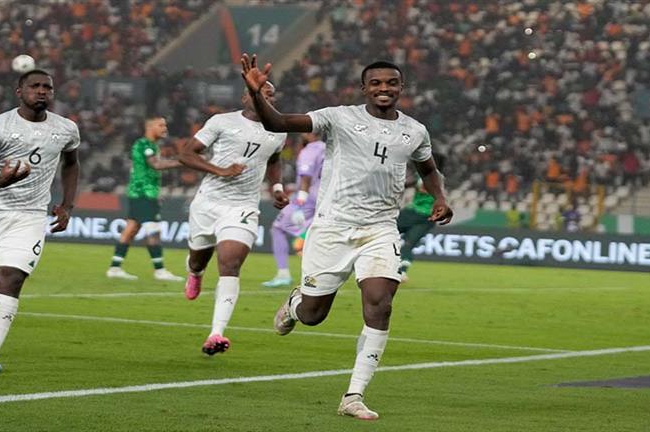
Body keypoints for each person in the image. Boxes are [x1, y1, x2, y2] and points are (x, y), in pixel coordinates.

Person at [240, 54, 453, 420]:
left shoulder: (415, 131)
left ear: (401, 88)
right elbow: (278, 122)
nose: (384, 88)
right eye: (376, 83)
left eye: (391, 83)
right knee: (313, 315)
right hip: (333, 227)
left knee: (380, 303)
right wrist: (258, 94)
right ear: (363, 88)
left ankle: (354, 395)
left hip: (380, 229)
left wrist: (440, 198)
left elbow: (428, 169)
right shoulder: (337, 118)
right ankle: (295, 304)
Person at [0, 69, 81, 373]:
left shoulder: (66, 129)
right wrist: (2, 181)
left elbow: (71, 163)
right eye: (34, 86)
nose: (41, 91)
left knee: (12, 278)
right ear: (19, 91)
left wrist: (67, 205)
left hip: (31, 215)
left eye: (47, 87)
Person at [178, 82, 289, 356]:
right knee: (197, 259)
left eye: (271, 95)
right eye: (261, 93)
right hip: (208, 203)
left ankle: (216, 333)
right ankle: (195, 273)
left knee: (230, 263)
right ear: (245, 97)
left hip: (243, 207)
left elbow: (274, 160)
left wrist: (276, 188)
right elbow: (186, 154)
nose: (267, 98)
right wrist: (220, 170)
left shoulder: (279, 130)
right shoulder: (222, 121)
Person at [106, 117, 184, 281]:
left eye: (165, 125)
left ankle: (114, 268)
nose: (164, 128)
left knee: (131, 228)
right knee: (153, 230)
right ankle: (160, 270)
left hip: (139, 192)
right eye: (160, 125)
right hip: (144, 193)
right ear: (149, 127)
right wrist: (183, 162)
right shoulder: (145, 144)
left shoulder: (149, 145)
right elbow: (156, 165)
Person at [262, 132, 325, 287]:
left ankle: (283, 274)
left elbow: (305, 177)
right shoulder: (328, 149)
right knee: (317, 236)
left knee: (278, 228)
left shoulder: (309, 150)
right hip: (325, 198)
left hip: (308, 199)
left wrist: (299, 204)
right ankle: (317, 276)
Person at [396, 152, 446, 279]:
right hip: (429, 218)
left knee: (386, 231)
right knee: (409, 244)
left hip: (414, 213)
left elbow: (419, 186)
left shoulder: (429, 175)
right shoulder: (440, 177)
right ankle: (402, 272)